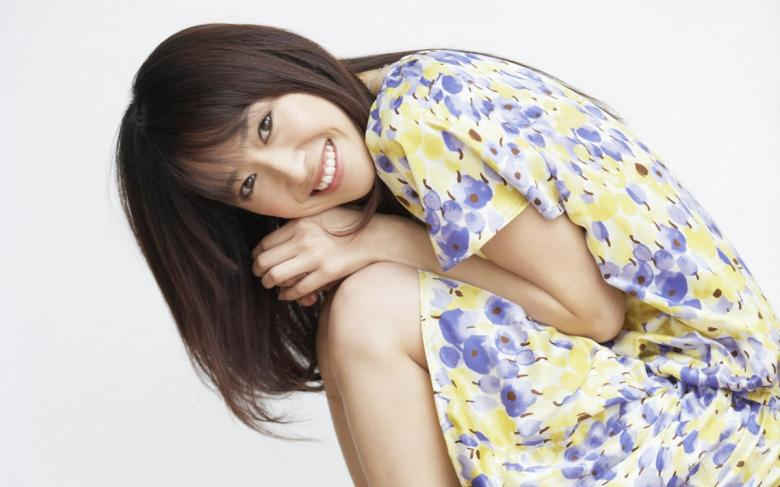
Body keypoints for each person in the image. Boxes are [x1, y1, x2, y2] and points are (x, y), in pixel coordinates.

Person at [114, 23, 780, 486]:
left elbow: (591, 311)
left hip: (720, 427)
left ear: (281, 67)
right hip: (682, 419)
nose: (293, 170)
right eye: (249, 185)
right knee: (355, 312)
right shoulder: (403, 108)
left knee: (370, 307)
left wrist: (371, 239)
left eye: (265, 125)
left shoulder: (412, 113)